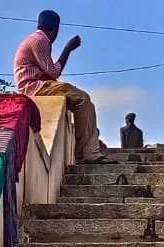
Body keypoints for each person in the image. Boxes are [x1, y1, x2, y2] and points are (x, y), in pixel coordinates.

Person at [13, 10, 109, 163]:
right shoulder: (40, 41)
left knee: (86, 103)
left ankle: (91, 148)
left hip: (39, 84)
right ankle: (87, 154)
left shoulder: (36, 39)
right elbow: (53, 72)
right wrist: (67, 49)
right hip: (35, 87)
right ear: (55, 29)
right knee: (83, 98)